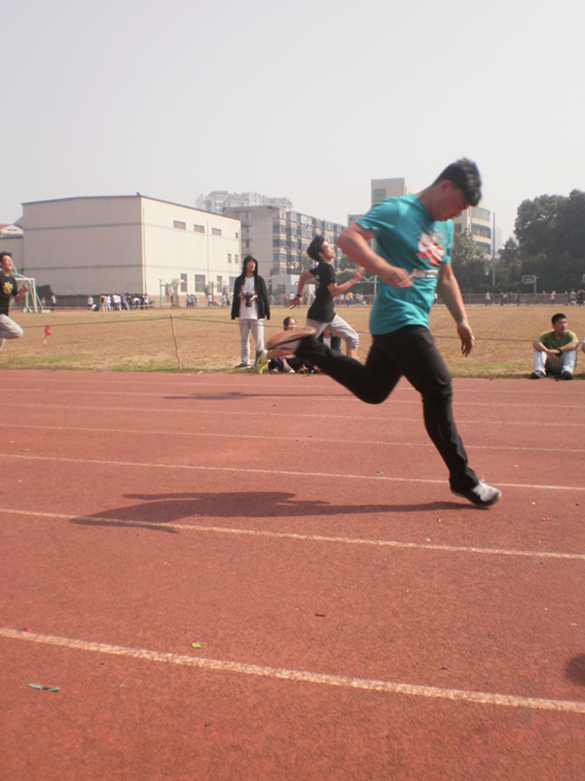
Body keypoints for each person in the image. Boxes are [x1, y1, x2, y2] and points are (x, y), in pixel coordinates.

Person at [267, 159, 501, 507]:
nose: (456, 215)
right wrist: (384, 268)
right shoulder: (397, 210)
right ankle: (463, 479)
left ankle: (308, 345)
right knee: (438, 388)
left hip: (404, 323)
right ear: (445, 187)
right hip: (399, 318)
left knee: (372, 390)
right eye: (458, 206)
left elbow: (446, 276)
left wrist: (462, 319)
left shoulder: (444, 228)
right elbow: (348, 238)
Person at [290, 235, 364, 359]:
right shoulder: (327, 268)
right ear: (321, 254)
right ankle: (268, 356)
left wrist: (299, 296)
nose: (331, 248)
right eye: (327, 247)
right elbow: (334, 292)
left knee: (352, 337)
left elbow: (303, 276)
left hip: (328, 315)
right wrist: (354, 280)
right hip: (319, 316)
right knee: (300, 347)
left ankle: (352, 372)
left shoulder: (321, 267)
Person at [231, 255, 270, 369]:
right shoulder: (239, 280)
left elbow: (264, 295)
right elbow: (236, 294)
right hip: (243, 313)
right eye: (250, 262)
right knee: (244, 339)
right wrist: (241, 296)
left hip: (256, 314)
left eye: (254, 262)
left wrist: (255, 297)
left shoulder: (259, 279)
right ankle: (245, 361)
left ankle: (259, 362)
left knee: (259, 340)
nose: (252, 264)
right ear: (245, 265)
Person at [532, 313, 578, 379]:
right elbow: (535, 343)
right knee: (539, 349)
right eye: (560, 323)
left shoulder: (570, 334)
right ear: (553, 325)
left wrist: (559, 350)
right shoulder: (547, 334)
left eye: (565, 323)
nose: (563, 325)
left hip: (562, 362)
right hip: (550, 362)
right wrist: (548, 351)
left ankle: (567, 372)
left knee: (572, 350)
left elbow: (575, 343)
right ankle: (539, 371)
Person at [0, 252, 28, 351]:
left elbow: (17, 298)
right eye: (6, 260)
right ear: (1, 263)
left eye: (10, 260)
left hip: (5, 313)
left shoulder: (12, 279)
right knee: (18, 332)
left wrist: (23, 293)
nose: (10, 262)